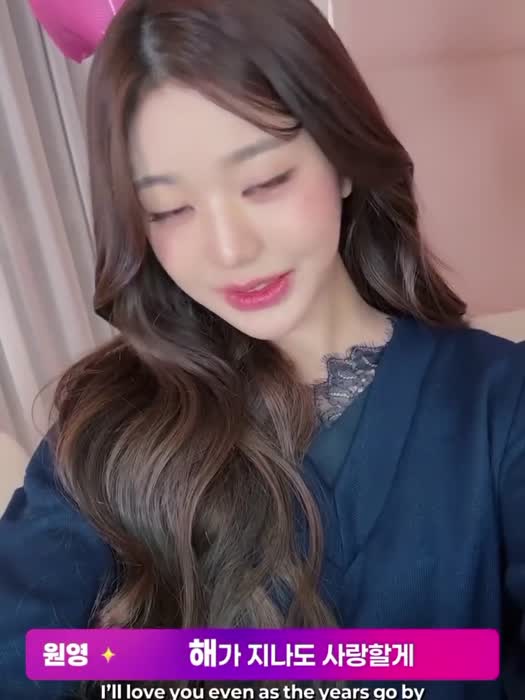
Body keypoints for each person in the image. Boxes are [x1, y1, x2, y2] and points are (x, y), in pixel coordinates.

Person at [1, 0, 524, 697]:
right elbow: (25, 654)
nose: (229, 250)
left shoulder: (500, 404)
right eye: (169, 209)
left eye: (265, 181)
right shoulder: (105, 425)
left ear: (342, 159)